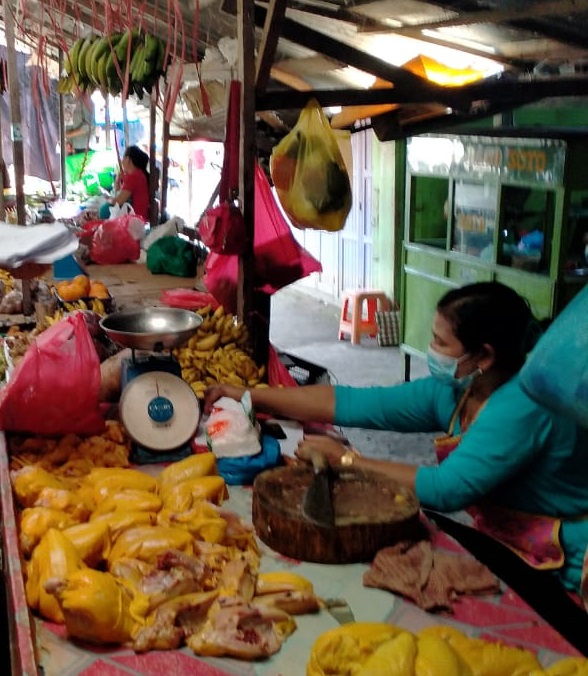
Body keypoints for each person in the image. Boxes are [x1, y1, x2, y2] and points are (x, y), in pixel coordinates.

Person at [204, 281, 588, 600]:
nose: (431, 350)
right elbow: (353, 403)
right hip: (506, 543)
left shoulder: (521, 406)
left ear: (482, 356)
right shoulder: (456, 390)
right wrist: (248, 394)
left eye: (440, 342)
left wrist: (347, 461)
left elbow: (446, 489)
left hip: (564, 559)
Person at [99, 145, 150, 221]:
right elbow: (118, 193)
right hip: (137, 216)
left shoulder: (134, 176)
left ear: (128, 159)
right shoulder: (137, 174)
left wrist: (108, 198)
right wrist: (117, 181)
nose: (122, 161)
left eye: (123, 157)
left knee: (104, 210)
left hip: (136, 218)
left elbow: (118, 201)